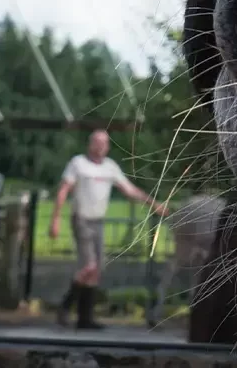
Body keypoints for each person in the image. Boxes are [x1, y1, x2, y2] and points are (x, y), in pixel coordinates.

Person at [50, 129, 167, 329]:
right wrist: (55, 219)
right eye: (97, 142)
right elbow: (63, 190)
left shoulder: (110, 168)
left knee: (96, 270)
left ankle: (84, 318)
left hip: (98, 221)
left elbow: (129, 189)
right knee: (89, 266)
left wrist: (153, 203)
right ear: (90, 144)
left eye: (104, 143)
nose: (101, 147)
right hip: (82, 219)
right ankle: (65, 305)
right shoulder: (78, 164)